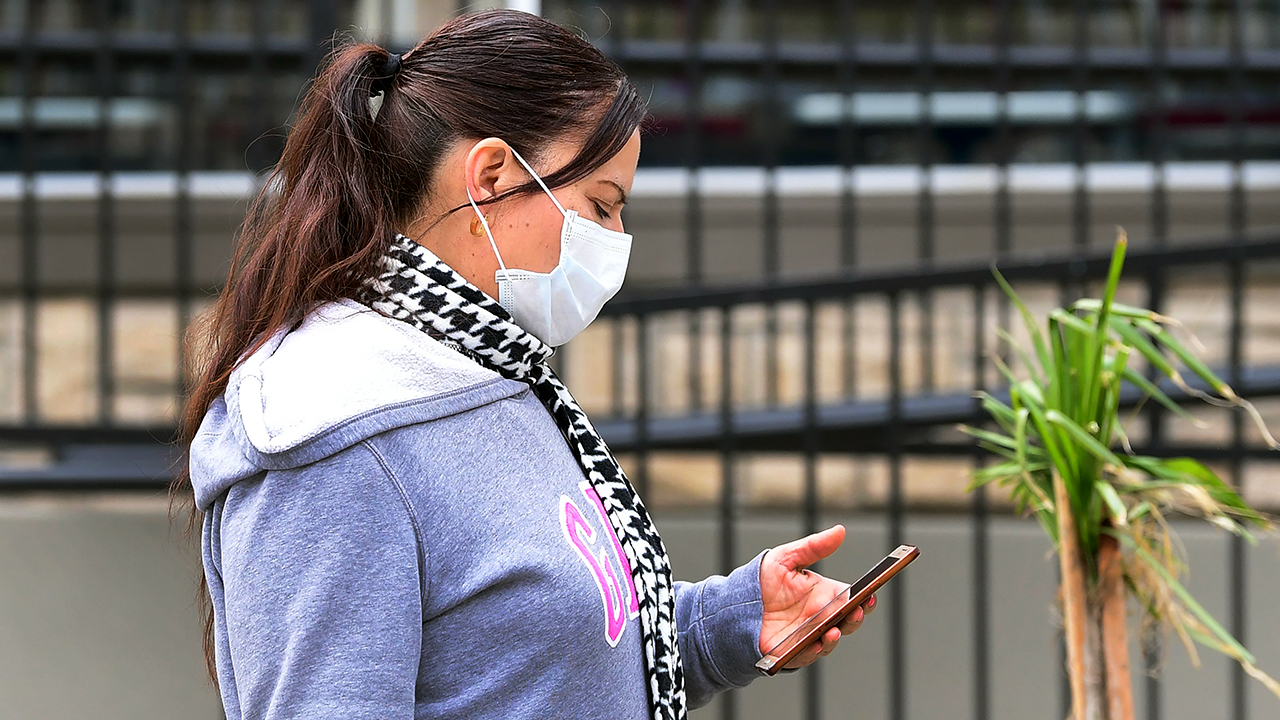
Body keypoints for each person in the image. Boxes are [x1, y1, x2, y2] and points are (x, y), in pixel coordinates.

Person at [175, 10, 875, 720]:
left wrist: (726, 623)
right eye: (600, 205)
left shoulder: (487, 375)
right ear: (492, 175)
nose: (615, 240)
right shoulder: (334, 437)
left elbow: (542, 662)